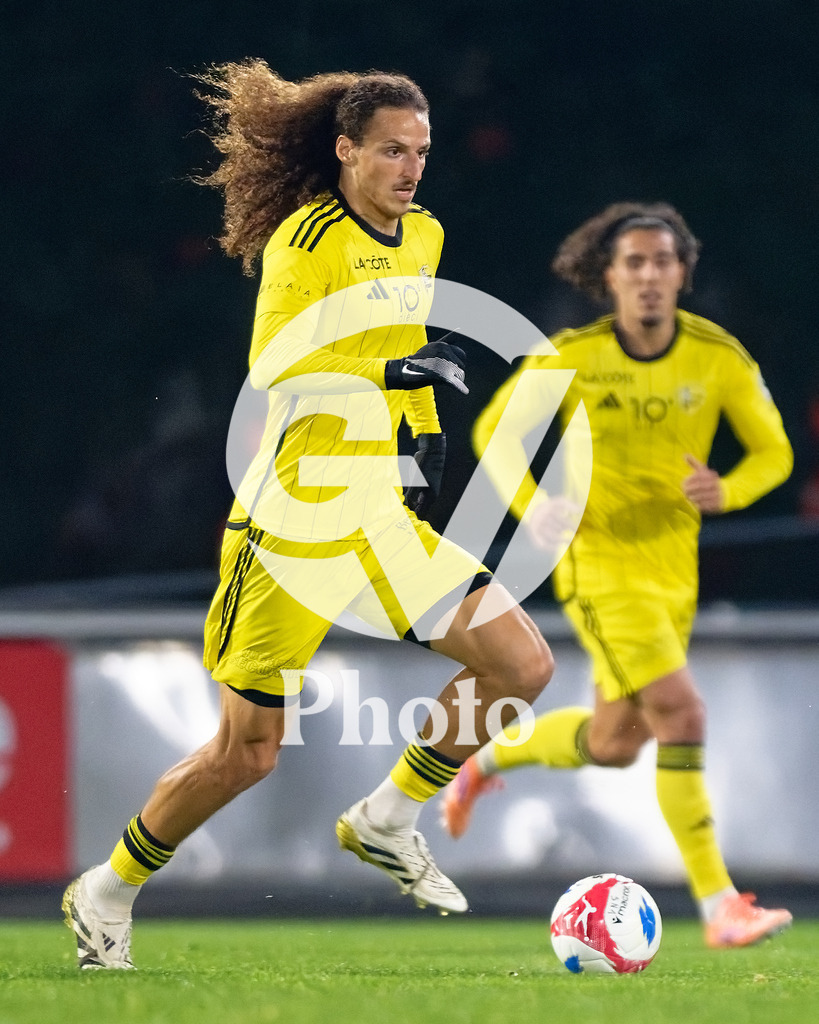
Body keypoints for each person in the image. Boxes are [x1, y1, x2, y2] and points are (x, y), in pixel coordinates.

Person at [62, 61, 553, 969]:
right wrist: (398, 377)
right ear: (344, 150)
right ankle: (108, 889)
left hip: (379, 521)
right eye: (391, 151)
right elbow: (278, 367)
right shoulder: (308, 238)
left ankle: (385, 817)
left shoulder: (425, 235)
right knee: (246, 756)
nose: (410, 170)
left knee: (519, 664)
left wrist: (418, 434)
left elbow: (403, 351)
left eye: (421, 152)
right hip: (291, 528)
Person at [442, 201, 794, 949]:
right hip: (598, 565)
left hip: (674, 570)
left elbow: (775, 454)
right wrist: (532, 505)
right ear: (607, 278)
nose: (647, 277)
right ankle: (718, 902)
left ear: (681, 274)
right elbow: (497, 435)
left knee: (615, 740)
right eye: (631, 263)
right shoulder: (573, 354)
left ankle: (486, 758)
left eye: (660, 262)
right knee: (681, 715)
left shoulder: (715, 356)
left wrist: (728, 490)